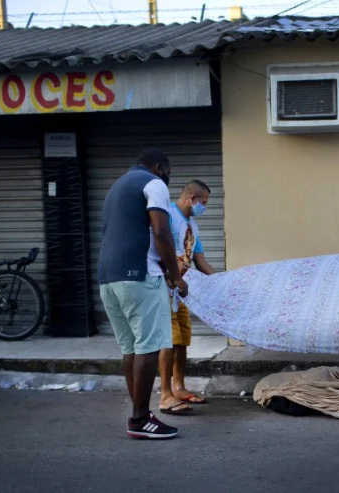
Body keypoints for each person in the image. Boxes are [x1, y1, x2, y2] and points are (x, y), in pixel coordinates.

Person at [98, 149, 188, 440]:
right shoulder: (153, 183)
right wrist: (175, 276)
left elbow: (134, 235)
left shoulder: (117, 186)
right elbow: (161, 233)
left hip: (108, 278)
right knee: (149, 346)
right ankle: (139, 419)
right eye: (169, 174)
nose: (168, 180)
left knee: (131, 349)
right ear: (159, 167)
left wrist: (162, 263)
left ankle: (140, 415)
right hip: (139, 276)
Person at [159, 180, 216, 415]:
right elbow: (158, 246)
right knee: (168, 340)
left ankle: (179, 387)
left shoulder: (192, 225)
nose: (204, 207)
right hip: (164, 286)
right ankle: (165, 395)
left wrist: (225, 281)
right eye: (203, 202)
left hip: (181, 289)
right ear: (192, 198)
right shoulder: (167, 216)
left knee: (181, 340)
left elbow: (199, 260)